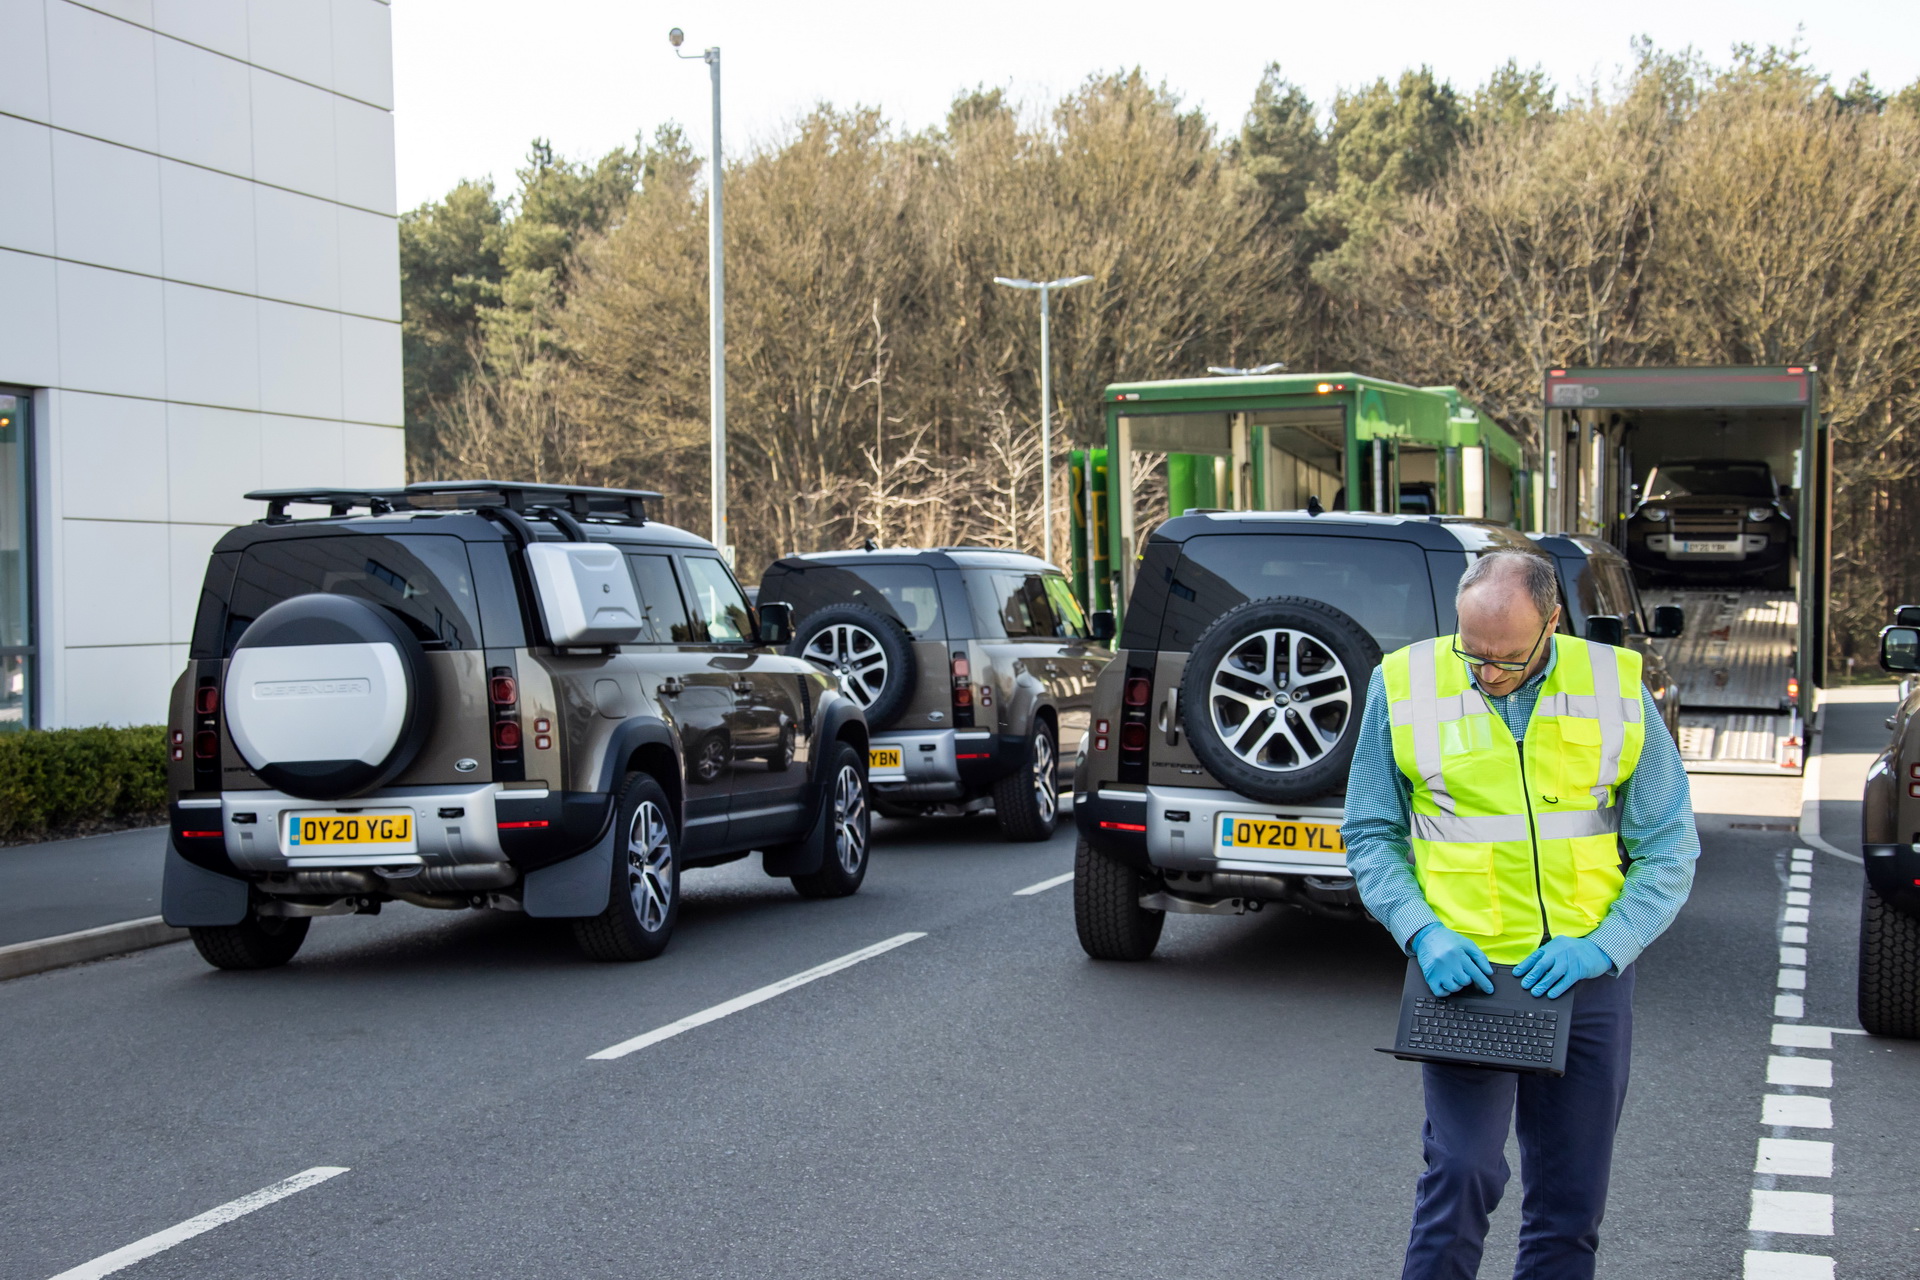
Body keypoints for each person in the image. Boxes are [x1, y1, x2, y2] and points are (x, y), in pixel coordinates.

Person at [1341, 549, 1699, 1280]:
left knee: (1569, 1209)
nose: (1487, 672)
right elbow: (1370, 834)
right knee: (1462, 1175)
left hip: (1585, 978)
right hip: (1466, 977)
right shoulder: (1402, 683)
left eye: (1507, 656)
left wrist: (1605, 947)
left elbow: (1668, 846)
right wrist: (1421, 930)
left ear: (1554, 624)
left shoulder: (1616, 687)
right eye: (1471, 652)